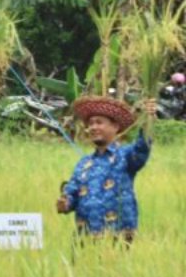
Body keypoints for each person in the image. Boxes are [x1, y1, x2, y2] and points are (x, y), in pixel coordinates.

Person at [56, 96, 157, 244]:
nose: (93, 127)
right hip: (85, 239)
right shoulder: (84, 163)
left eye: (99, 122)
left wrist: (149, 121)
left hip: (119, 238)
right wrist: (65, 203)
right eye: (90, 123)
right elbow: (72, 191)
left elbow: (142, 148)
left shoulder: (126, 156)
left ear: (115, 127)